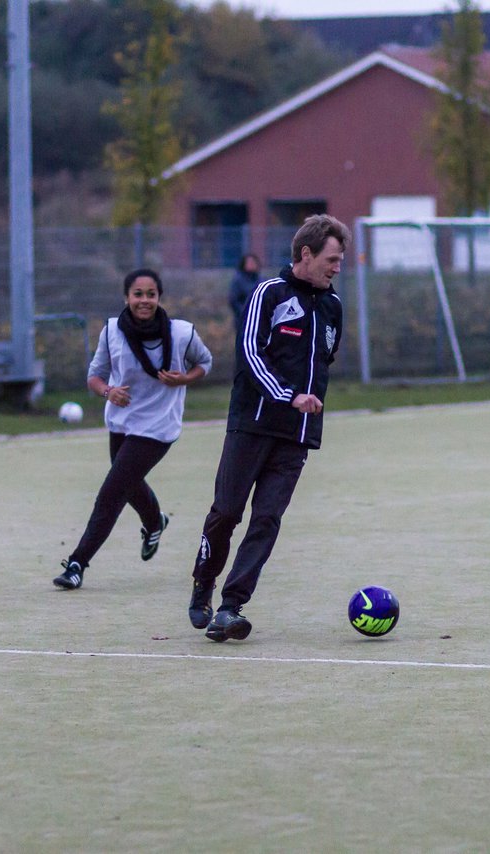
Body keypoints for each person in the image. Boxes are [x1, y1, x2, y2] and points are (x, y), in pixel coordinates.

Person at [188, 214, 347, 642]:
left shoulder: (333, 307)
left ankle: (230, 607)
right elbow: (249, 354)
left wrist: (306, 404)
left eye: (341, 260)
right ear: (306, 254)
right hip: (252, 426)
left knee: (267, 520)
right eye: (331, 259)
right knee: (226, 514)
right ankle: (204, 582)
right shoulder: (268, 293)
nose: (337, 267)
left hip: (296, 436)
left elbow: (323, 363)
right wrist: (287, 394)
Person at [54, 268, 213, 590]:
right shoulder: (112, 331)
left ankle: (76, 564)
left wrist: (184, 378)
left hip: (159, 426)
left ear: (159, 297)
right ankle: (155, 521)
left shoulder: (181, 333)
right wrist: (108, 392)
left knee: (111, 493)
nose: (144, 300)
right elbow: (95, 375)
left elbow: (205, 363)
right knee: (127, 483)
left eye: (150, 294)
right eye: (137, 294)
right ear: (126, 298)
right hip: (122, 423)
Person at [228, 253, 261, 336]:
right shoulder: (238, 280)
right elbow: (233, 300)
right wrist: (244, 312)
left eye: (254, 262)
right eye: (249, 262)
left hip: (260, 320)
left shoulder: (261, 279)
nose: (252, 264)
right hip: (243, 320)